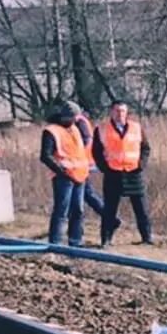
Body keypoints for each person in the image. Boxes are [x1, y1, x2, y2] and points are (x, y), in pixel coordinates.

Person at [94, 99, 154, 246]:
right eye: (117, 111)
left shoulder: (136, 127)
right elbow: (96, 151)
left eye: (123, 111)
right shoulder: (102, 128)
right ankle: (106, 240)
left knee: (141, 208)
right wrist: (104, 168)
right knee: (110, 209)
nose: (120, 114)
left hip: (134, 172)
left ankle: (147, 238)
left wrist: (141, 164)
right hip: (113, 173)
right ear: (111, 112)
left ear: (127, 113)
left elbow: (145, 148)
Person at [40, 101, 93, 246]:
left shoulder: (75, 129)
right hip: (63, 177)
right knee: (61, 211)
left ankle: (75, 241)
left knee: (78, 210)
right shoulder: (51, 131)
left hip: (80, 175)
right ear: (67, 116)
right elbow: (45, 155)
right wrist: (61, 171)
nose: (77, 120)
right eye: (75, 117)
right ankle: (55, 243)